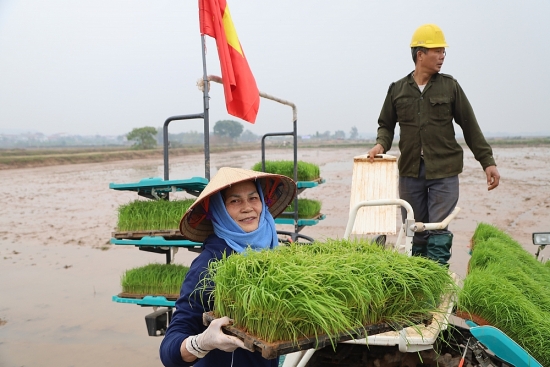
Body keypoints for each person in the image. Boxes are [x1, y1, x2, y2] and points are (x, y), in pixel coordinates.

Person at [367, 23, 500, 266]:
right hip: (410, 171)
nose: (442, 57)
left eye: (443, 52)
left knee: (438, 228)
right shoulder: (397, 90)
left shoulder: (450, 87)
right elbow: (385, 125)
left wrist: (487, 162)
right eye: (436, 51)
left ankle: (436, 279)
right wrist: (380, 146)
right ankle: (418, 279)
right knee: (415, 228)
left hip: (444, 171)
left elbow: (470, 127)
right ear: (420, 55)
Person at [159, 167, 297, 367]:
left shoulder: (273, 252)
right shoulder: (208, 265)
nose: (247, 207)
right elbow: (168, 351)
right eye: (235, 201)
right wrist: (203, 342)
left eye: (253, 198)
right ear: (220, 211)